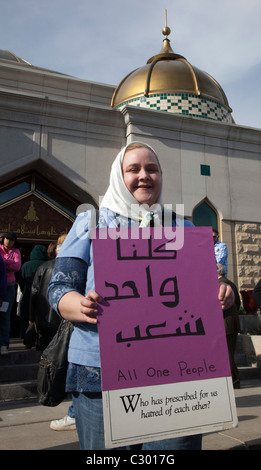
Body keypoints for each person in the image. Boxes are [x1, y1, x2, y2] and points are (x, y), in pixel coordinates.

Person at [48, 142, 235, 450]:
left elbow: (208, 285)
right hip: (101, 374)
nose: (144, 176)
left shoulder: (182, 227)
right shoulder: (93, 222)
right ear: (118, 176)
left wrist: (223, 290)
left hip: (177, 375)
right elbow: (59, 287)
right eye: (133, 169)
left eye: (152, 169)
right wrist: (79, 306)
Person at [29, 237, 66, 351]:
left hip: (44, 316)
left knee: (46, 351)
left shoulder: (43, 267)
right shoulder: (72, 267)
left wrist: (31, 316)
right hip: (64, 316)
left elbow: (34, 293)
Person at [217, 264, 241, 389]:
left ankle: (235, 382)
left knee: (228, 354)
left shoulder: (223, 284)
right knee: (229, 353)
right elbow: (238, 303)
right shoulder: (230, 283)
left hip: (227, 323)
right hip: (231, 323)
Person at [18, 244, 49, 339]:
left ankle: (25, 337)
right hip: (43, 296)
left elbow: (21, 280)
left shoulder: (26, 265)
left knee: (26, 317)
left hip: (28, 294)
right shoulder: (47, 264)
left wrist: (25, 291)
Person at [0, 232, 21, 354]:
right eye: (7, 238)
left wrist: (3, 262)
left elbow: (17, 266)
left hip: (8, 287)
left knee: (5, 315)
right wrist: (9, 263)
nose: (9, 241)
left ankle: (3, 344)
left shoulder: (16, 252)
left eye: (12, 239)